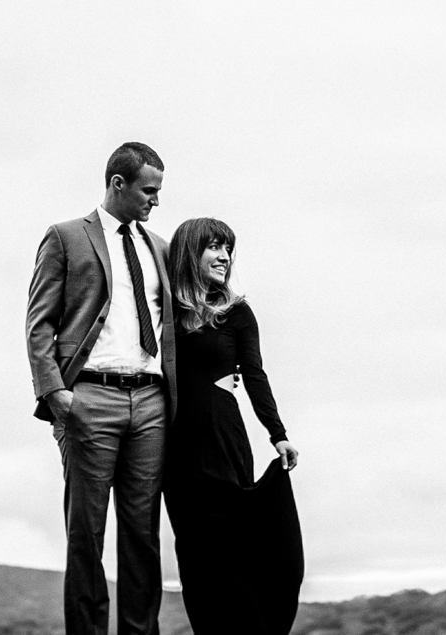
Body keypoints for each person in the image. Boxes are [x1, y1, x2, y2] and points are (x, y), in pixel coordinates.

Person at [26, 142, 177, 635]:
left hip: (152, 402)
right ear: (118, 184)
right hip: (89, 398)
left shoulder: (161, 247)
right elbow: (39, 324)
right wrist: (55, 394)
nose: (156, 201)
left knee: (143, 534)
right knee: (86, 534)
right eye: (148, 191)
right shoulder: (66, 237)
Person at [162, 217, 304, 635]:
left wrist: (278, 434)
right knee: (198, 553)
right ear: (191, 251)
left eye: (228, 248)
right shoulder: (163, 307)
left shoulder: (237, 312)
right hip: (175, 445)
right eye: (214, 247)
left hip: (223, 434)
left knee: (237, 546)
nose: (224, 256)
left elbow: (254, 374)